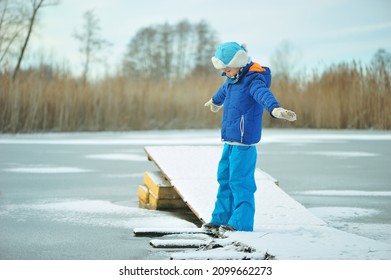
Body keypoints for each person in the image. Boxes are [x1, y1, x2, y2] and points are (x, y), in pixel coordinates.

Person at [203, 42, 296, 234]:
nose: (225, 73)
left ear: (239, 62)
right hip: (229, 140)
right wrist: (214, 101)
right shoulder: (232, 79)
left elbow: (264, 95)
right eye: (224, 70)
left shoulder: (253, 80)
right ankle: (220, 218)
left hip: (244, 143)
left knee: (240, 182)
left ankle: (240, 224)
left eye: (227, 69)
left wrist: (275, 109)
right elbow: (222, 92)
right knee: (224, 179)